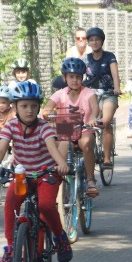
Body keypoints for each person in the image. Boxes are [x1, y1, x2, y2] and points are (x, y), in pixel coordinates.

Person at [0, 81, 73, 262]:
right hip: (22, 176)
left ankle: (59, 237)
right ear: (14, 107)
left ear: (39, 107)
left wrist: (61, 164)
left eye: (33, 106)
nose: (29, 110)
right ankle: (12, 247)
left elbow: (52, 148)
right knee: (10, 203)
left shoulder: (43, 127)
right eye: (24, 106)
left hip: (46, 173)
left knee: (46, 206)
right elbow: (2, 148)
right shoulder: (10, 127)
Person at [42, 58, 100, 198]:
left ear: (82, 78)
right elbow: (46, 109)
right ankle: (57, 181)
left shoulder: (88, 93)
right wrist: (46, 114)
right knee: (63, 144)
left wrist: (92, 118)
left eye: (78, 77)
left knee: (86, 143)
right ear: (65, 77)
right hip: (65, 131)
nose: (75, 80)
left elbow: (95, 108)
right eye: (71, 77)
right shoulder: (59, 94)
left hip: (84, 129)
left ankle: (91, 180)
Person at [82, 27, 121, 167]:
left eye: (97, 39)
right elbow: (79, 75)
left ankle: (106, 158)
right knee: (86, 123)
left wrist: (116, 88)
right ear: (88, 42)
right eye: (91, 40)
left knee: (104, 122)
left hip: (108, 93)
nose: (94, 42)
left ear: (102, 41)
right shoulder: (85, 58)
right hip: (91, 95)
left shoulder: (109, 56)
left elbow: (115, 75)